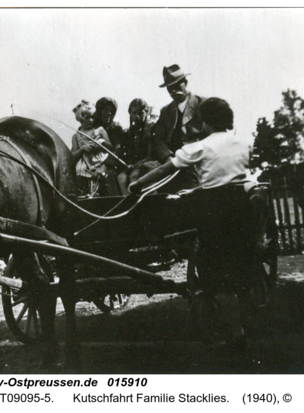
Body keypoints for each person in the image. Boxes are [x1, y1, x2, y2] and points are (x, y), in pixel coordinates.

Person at [129, 97, 257, 346]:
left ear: (206, 122)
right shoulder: (243, 142)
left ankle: (236, 332)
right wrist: (198, 190)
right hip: (241, 210)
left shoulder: (201, 146)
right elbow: (230, 179)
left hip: (215, 212)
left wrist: (138, 183)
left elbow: (167, 169)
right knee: (240, 263)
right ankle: (243, 321)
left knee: (217, 273)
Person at [151, 64, 206, 191]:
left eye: (177, 85)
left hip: (196, 165)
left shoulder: (202, 104)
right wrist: (168, 158)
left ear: (185, 83)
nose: (173, 91)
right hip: (171, 166)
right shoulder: (166, 111)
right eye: (169, 88)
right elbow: (158, 140)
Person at [70, 100, 114, 197]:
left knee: (102, 179)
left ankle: (97, 194)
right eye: (87, 117)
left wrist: (102, 142)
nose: (91, 120)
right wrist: (82, 149)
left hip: (99, 161)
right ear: (81, 118)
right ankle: (85, 194)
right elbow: (73, 156)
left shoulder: (100, 130)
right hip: (85, 163)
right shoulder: (76, 136)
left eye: (93, 117)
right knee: (80, 172)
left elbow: (111, 147)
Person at [116, 98, 160, 194]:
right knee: (121, 177)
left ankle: (144, 204)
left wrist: (136, 165)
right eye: (134, 113)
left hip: (151, 163)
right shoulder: (128, 133)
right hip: (136, 165)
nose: (137, 116)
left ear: (147, 113)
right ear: (130, 114)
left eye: (140, 113)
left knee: (134, 177)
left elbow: (151, 155)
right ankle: (128, 203)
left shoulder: (151, 128)